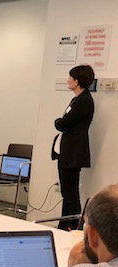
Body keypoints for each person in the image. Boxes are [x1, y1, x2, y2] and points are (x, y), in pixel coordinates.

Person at [53, 65, 95, 231]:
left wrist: (58, 121)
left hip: (73, 153)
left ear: (77, 81)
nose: (68, 81)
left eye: (70, 78)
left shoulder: (84, 101)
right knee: (66, 193)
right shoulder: (77, 100)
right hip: (68, 152)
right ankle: (64, 225)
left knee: (71, 193)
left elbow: (63, 123)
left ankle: (72, 226)